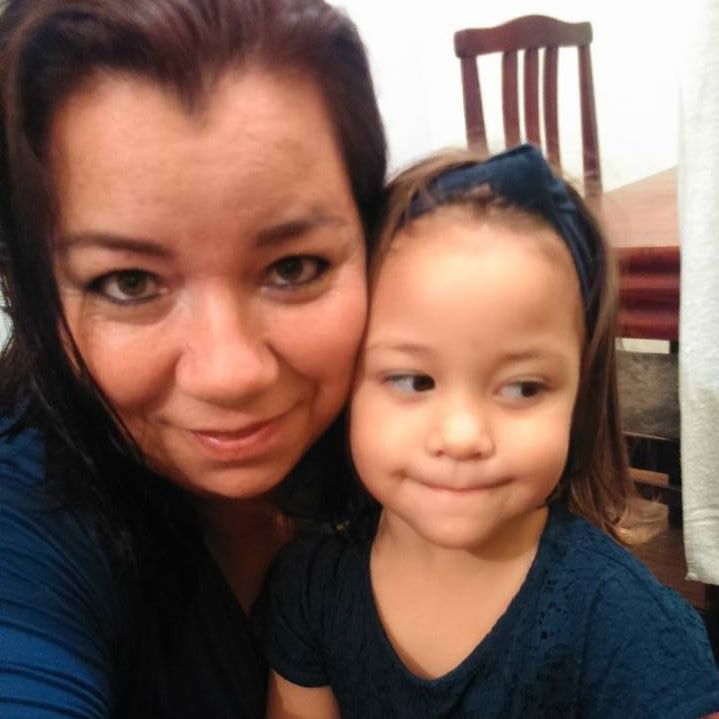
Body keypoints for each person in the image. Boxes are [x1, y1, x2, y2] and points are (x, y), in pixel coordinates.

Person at [0, 0, 386, 717]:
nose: (231, 373)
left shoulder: (424, 417)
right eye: (129, 283)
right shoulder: (23, 523)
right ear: (31, 288)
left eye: (294, 267)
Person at [264, 145, 719, 719]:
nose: (462, 435)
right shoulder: (311, 585)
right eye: (414, 380)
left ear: (580, 400)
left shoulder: (626, 628)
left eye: (523, 388)